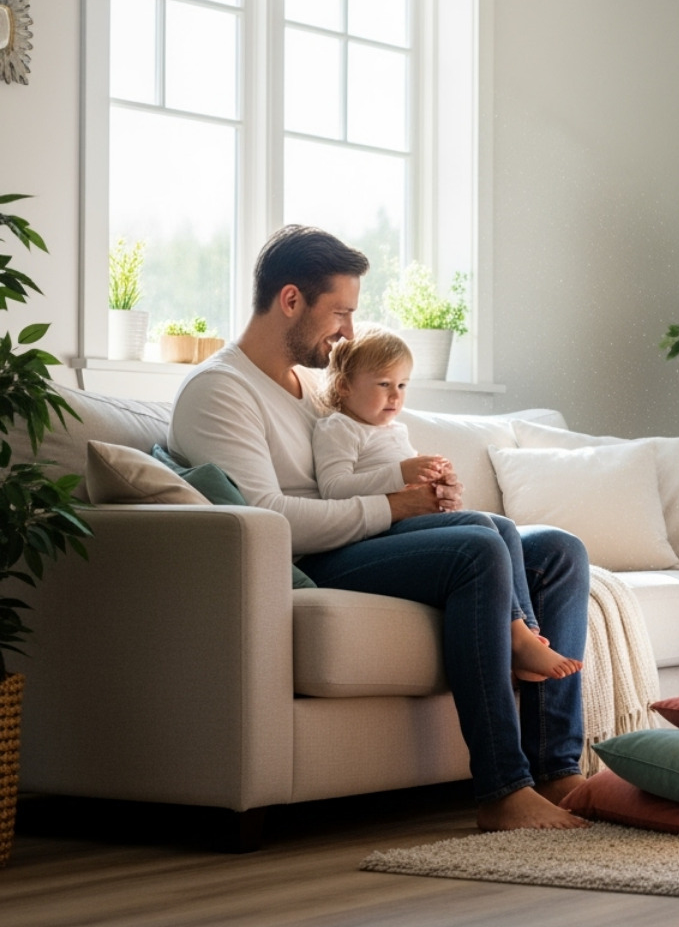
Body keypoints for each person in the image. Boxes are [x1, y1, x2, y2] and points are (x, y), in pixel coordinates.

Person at [168, 224, 590, 831]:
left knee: (557, 551)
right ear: (291, 300)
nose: (348, 331)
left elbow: (366, 461)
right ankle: (502, 789)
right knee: (476, 549)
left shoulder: (314, 386)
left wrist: (428, 494)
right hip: (311, 559)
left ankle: (556, 768)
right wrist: (396, 506)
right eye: (339, 313)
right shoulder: (221, 391)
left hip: (362, 539)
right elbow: (268, 520)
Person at [313, 326, 580, 683]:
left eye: (402, 385)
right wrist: (400, 473)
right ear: (344, 385)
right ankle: (519, 637)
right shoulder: (339, 428)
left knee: (502, 525)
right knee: (486, 529)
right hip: (376, 534)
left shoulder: (395, 430)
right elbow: (334, 489)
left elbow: (408, 486)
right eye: (383, 384)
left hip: (407, 525)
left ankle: (526, 632)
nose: (395, 396)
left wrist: (439, 488)